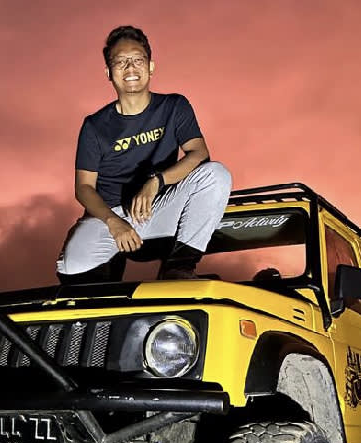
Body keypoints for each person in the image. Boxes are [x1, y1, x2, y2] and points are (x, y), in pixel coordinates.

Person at [56, 24, 232, 282]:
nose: (130, 68)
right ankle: (106, 265)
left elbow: (199, 153)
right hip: (110, 216)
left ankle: (178, 269)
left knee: (216, 174)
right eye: (121, 62)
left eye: (138, 60)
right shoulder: (95, 126)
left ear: (150, 66)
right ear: (108, 73)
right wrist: (113, 222)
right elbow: (83, 188)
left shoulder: (174, 106)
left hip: (157, 208)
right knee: (71, 266)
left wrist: (156, 182)